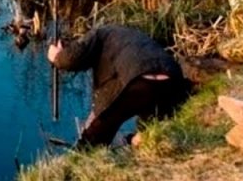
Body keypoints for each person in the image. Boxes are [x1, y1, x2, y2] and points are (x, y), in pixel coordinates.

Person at [48, 24, 189, 148]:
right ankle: (135, 141)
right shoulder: (134, 37)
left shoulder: (100, 33)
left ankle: (77, 170)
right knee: (149, 131)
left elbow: (73, 58)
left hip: (139, 80)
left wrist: (56, 57)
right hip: (172, 81)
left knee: (91, 143)